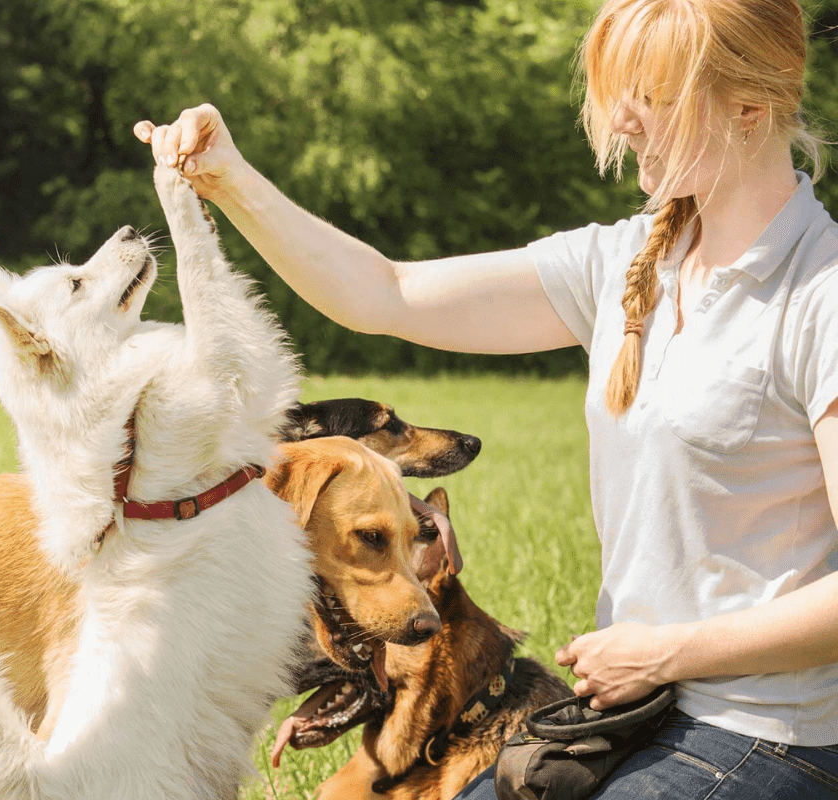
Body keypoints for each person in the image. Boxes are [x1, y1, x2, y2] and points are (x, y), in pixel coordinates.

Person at [134, 0, 838, 797]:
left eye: (655, 95)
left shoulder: (821, 297)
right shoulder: (622, 266)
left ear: (753, 103)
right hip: (625, 717)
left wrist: (668, 652)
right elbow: (386, 293)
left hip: (762, 739)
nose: (626, 121)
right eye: (620, 94)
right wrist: (230, 177)